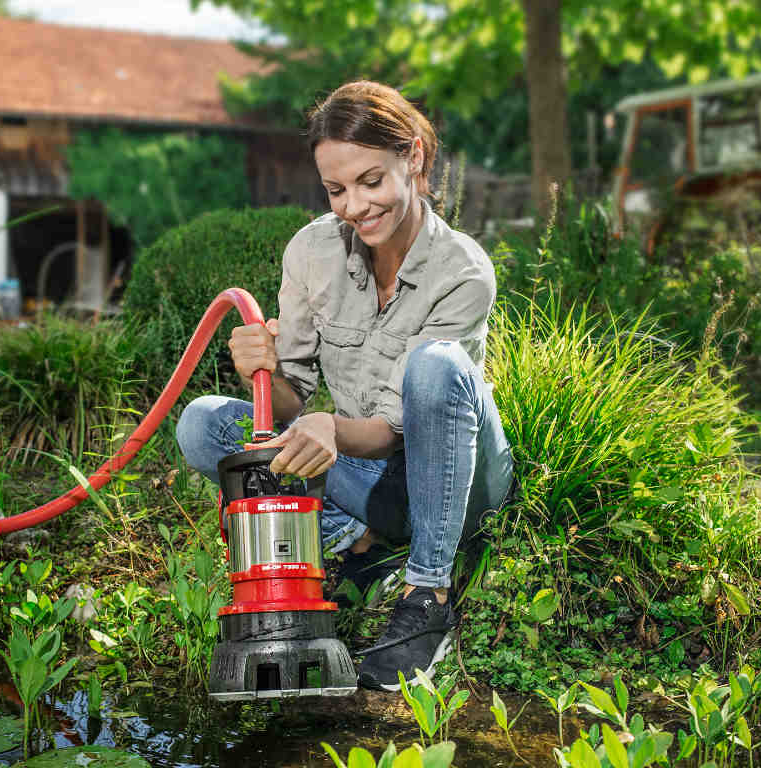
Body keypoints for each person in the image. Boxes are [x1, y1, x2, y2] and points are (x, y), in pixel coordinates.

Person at [176, 81, 514, 692]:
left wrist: (330, 429)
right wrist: (259, 366)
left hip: (458, 487)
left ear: (412, 158)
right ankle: (362, 547)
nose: (355, 206)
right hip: (375, 487)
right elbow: (286, 400)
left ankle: (428, 593)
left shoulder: (462, 269)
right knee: (204, 423)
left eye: (371, 181)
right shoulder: (312, 250)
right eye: (337, 189)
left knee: (437, 366)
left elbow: (392, 431)